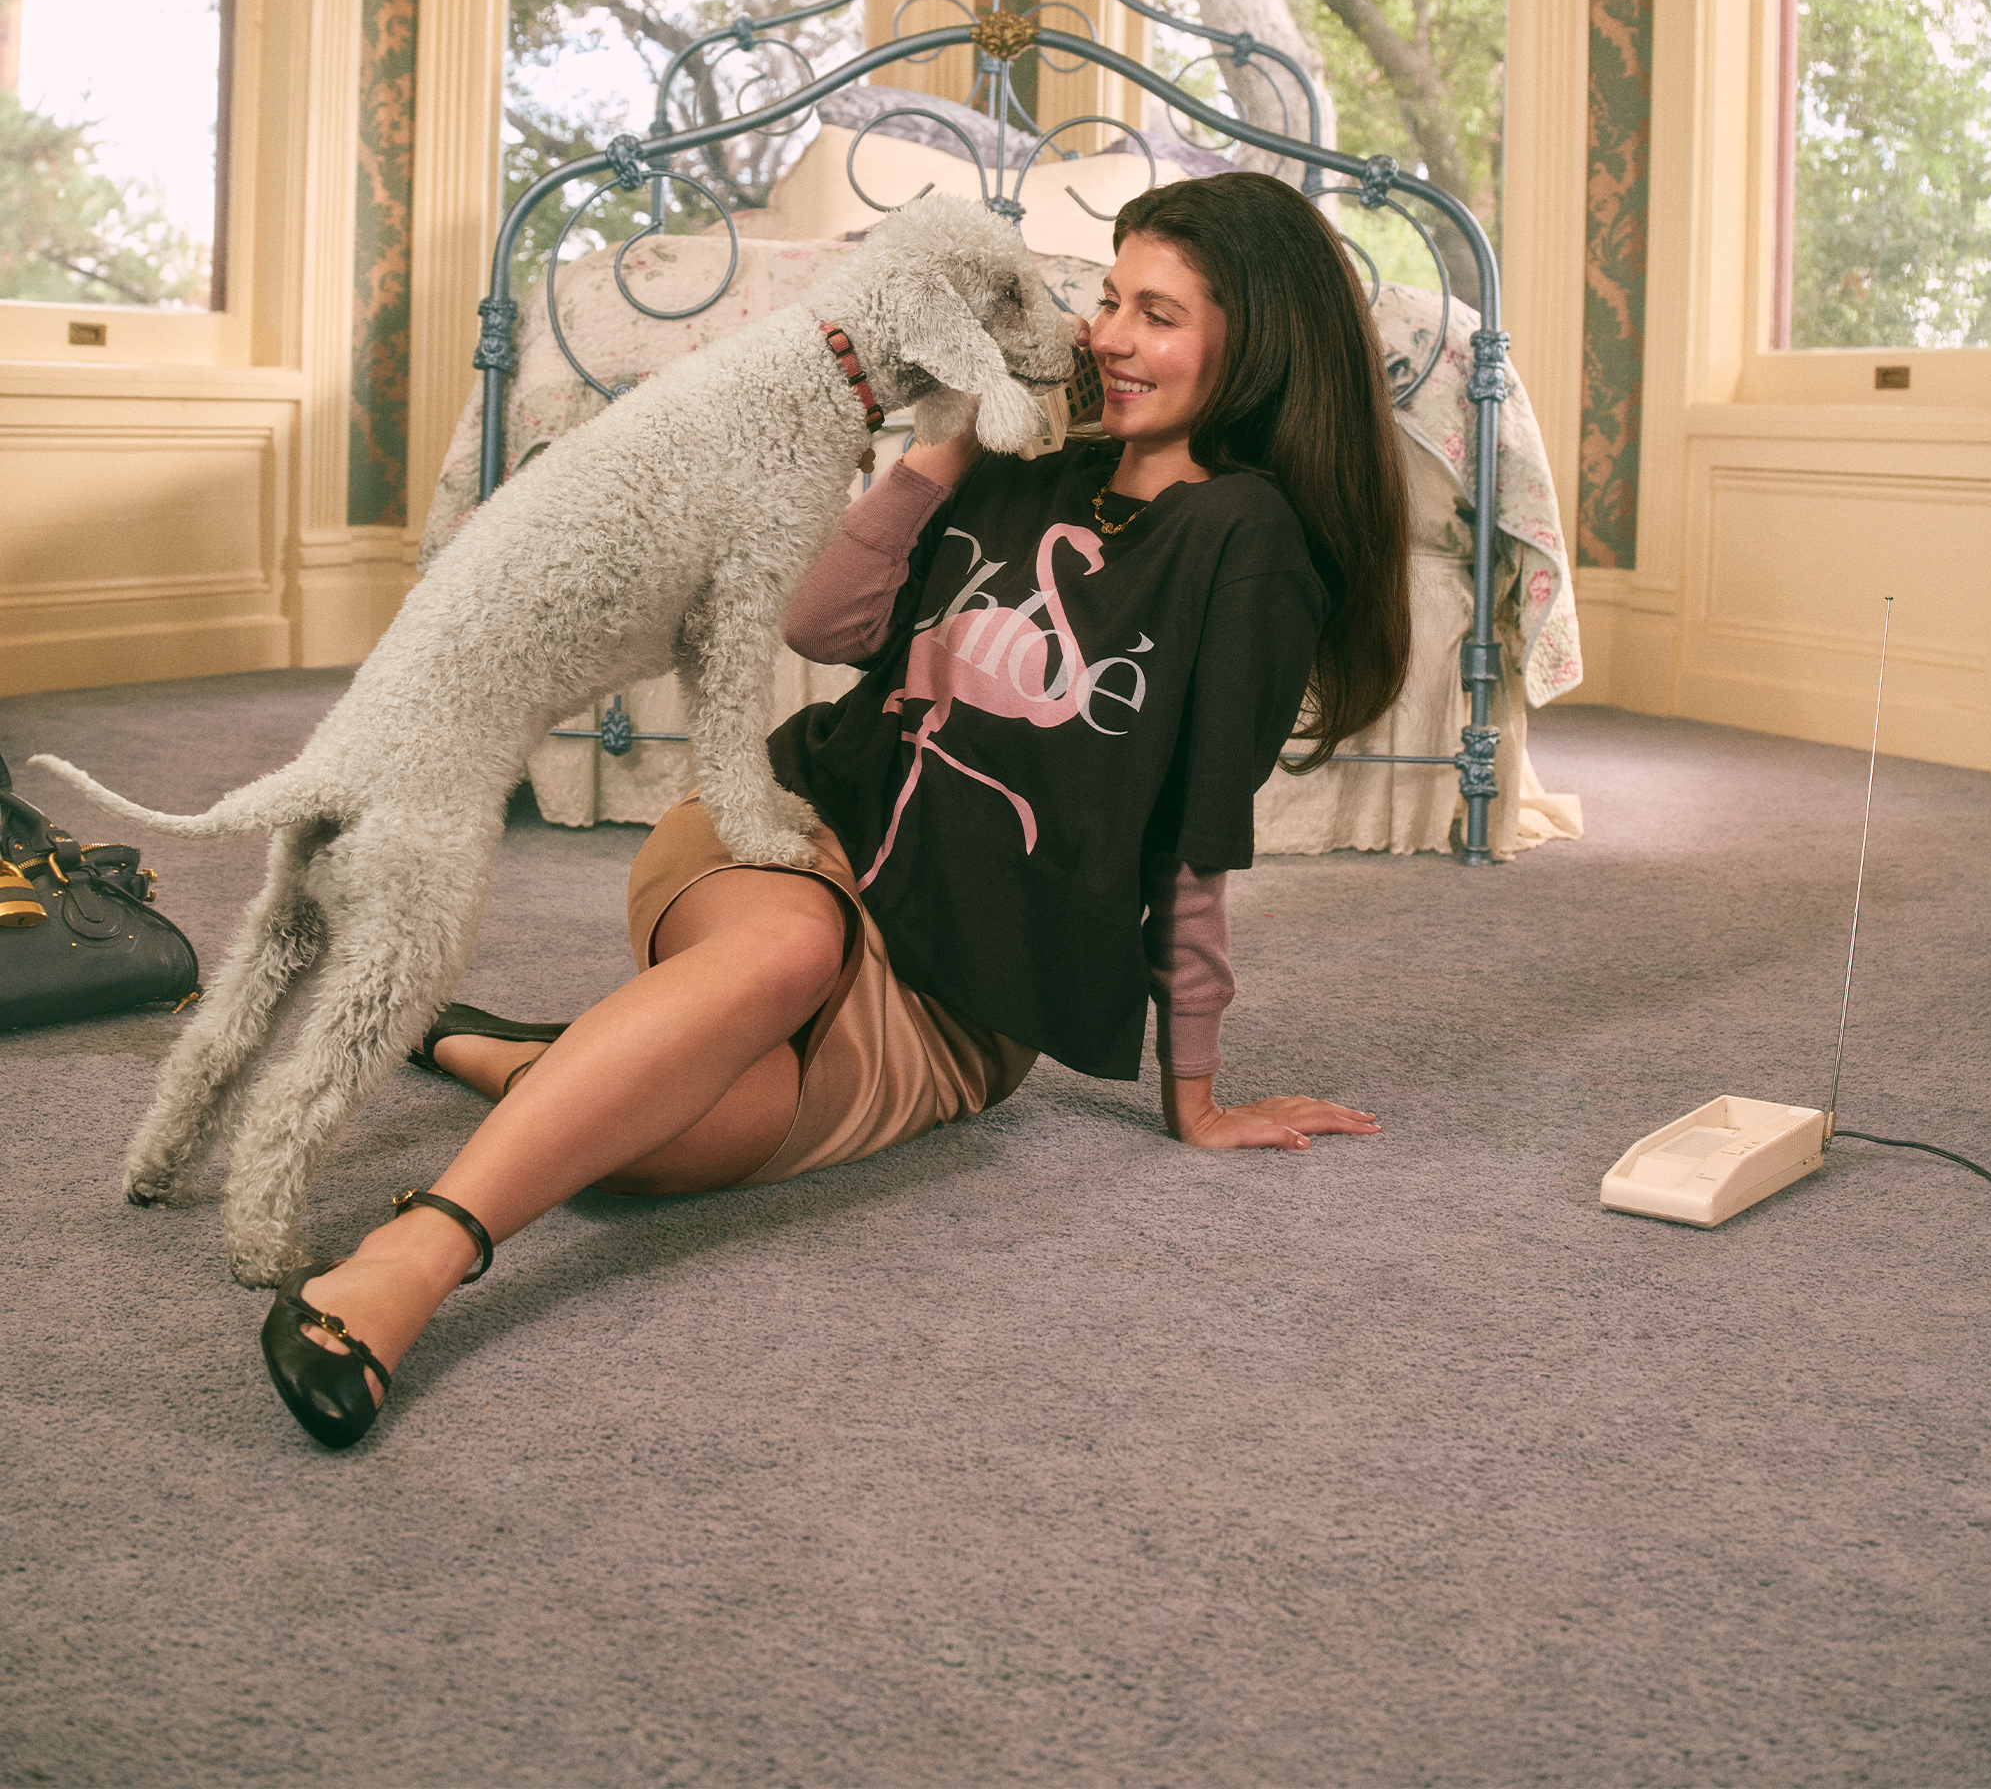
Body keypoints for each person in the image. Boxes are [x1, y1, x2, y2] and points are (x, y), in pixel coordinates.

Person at [261, 172, 1413, 1448]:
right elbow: (824, 625)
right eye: (1104, 299)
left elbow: (1191, 850)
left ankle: (497, 1046)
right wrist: (957, 438)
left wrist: (1195, 1096)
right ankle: (410, 1261)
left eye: (1159, 313)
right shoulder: (1023, 460)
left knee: (653, 1152)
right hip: (791, 836)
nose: (1105, 338)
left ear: (1255, 338)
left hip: (947, 1006)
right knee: (790, 946)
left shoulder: (1244, 548)